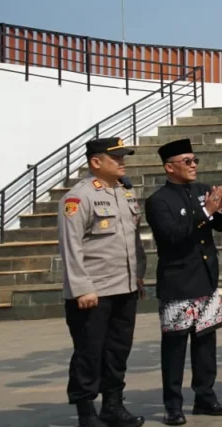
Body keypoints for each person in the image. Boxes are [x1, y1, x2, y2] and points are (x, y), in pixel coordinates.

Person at [144, 139, 222, 425]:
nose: (194, 165)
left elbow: (218, 226)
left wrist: (219, 209)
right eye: (187, 161)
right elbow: (173, 236)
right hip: (178, 281)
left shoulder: (202, 190)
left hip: (205, 278)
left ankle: (205, 396)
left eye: (195, 160)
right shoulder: (158, 201)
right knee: (175, 347)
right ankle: (173, 404)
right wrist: (206, 211)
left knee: (206, 342)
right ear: (169, 167)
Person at [58, 137, 147, 427]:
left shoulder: (124, 193)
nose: (122, 162)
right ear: (96, 162)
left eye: (123, 157)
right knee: (89, 351)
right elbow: (71, 247)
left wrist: (137, 276)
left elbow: (130, 240)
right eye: (116, 158)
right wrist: (82, 288)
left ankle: (113, 406)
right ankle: (86, 412)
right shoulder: (78, 197)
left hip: (125, 287)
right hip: (94, 291)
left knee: (118, 351)